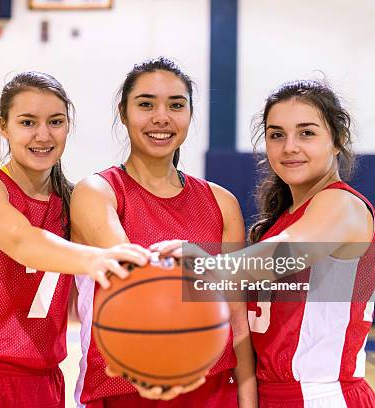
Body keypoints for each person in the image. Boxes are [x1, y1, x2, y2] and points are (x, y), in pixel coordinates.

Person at [0, 71, 150, 408]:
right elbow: (23, 242)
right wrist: (96, 258)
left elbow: (80, 300)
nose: (43, 135)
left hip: (43, 382)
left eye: (55, 122)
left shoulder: (75, 202)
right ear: (4, 127)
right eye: (27, 122)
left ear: (67, 127)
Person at [155, 79, 375, 407]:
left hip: (322, 395)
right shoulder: (278, 221)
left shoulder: (342, 205)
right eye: (277, 135)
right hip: (272, 395)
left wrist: (199, 262)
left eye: (307, 133)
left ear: (337, 141)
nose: (289, 146)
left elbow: (286, 254)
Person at [70, 57, 257, 407]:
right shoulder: (97, 191)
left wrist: (248, 401)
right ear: (123, 113)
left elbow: (238, 320)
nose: (161, 118)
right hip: (123, 388)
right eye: (145, 104)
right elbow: (131, 277)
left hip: (212, 388)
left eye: (176, 105)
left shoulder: (221, 202)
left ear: (189, 115)